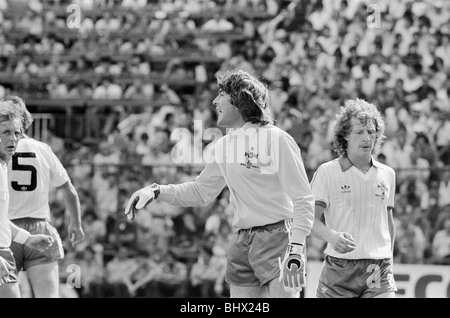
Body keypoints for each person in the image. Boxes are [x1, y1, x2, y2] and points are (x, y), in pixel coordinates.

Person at [123, 70, 315, 298]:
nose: (215, 101)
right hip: (242, 239)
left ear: (239, 99)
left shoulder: (277, 139)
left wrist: (296, 248)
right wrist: (156, 191)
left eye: (221, 94)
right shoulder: (224, 145)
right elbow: (201, 191)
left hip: (279, 238)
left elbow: (303, 198)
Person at [310, 98, 397, 298]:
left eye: (371, 132)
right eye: (359, 132)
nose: (367, 137)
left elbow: (388, 222)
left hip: (378, 268)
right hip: (339, 269)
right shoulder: (327, 172)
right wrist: (331, 236)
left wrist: (389, 257)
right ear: (345, 136)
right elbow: (309, 220)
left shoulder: (387, 174)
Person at [3, 95, 85, 298]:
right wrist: (75, 223)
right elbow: (69, 190)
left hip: (6, 230)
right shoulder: (42, 149)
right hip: (38, 227)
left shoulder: (5, 153)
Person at [0, 101, 53, 298]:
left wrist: (27, 238)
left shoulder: (3, 166)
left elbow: (0, 221)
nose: (13, 139)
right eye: (6, 132)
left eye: (17, 133)